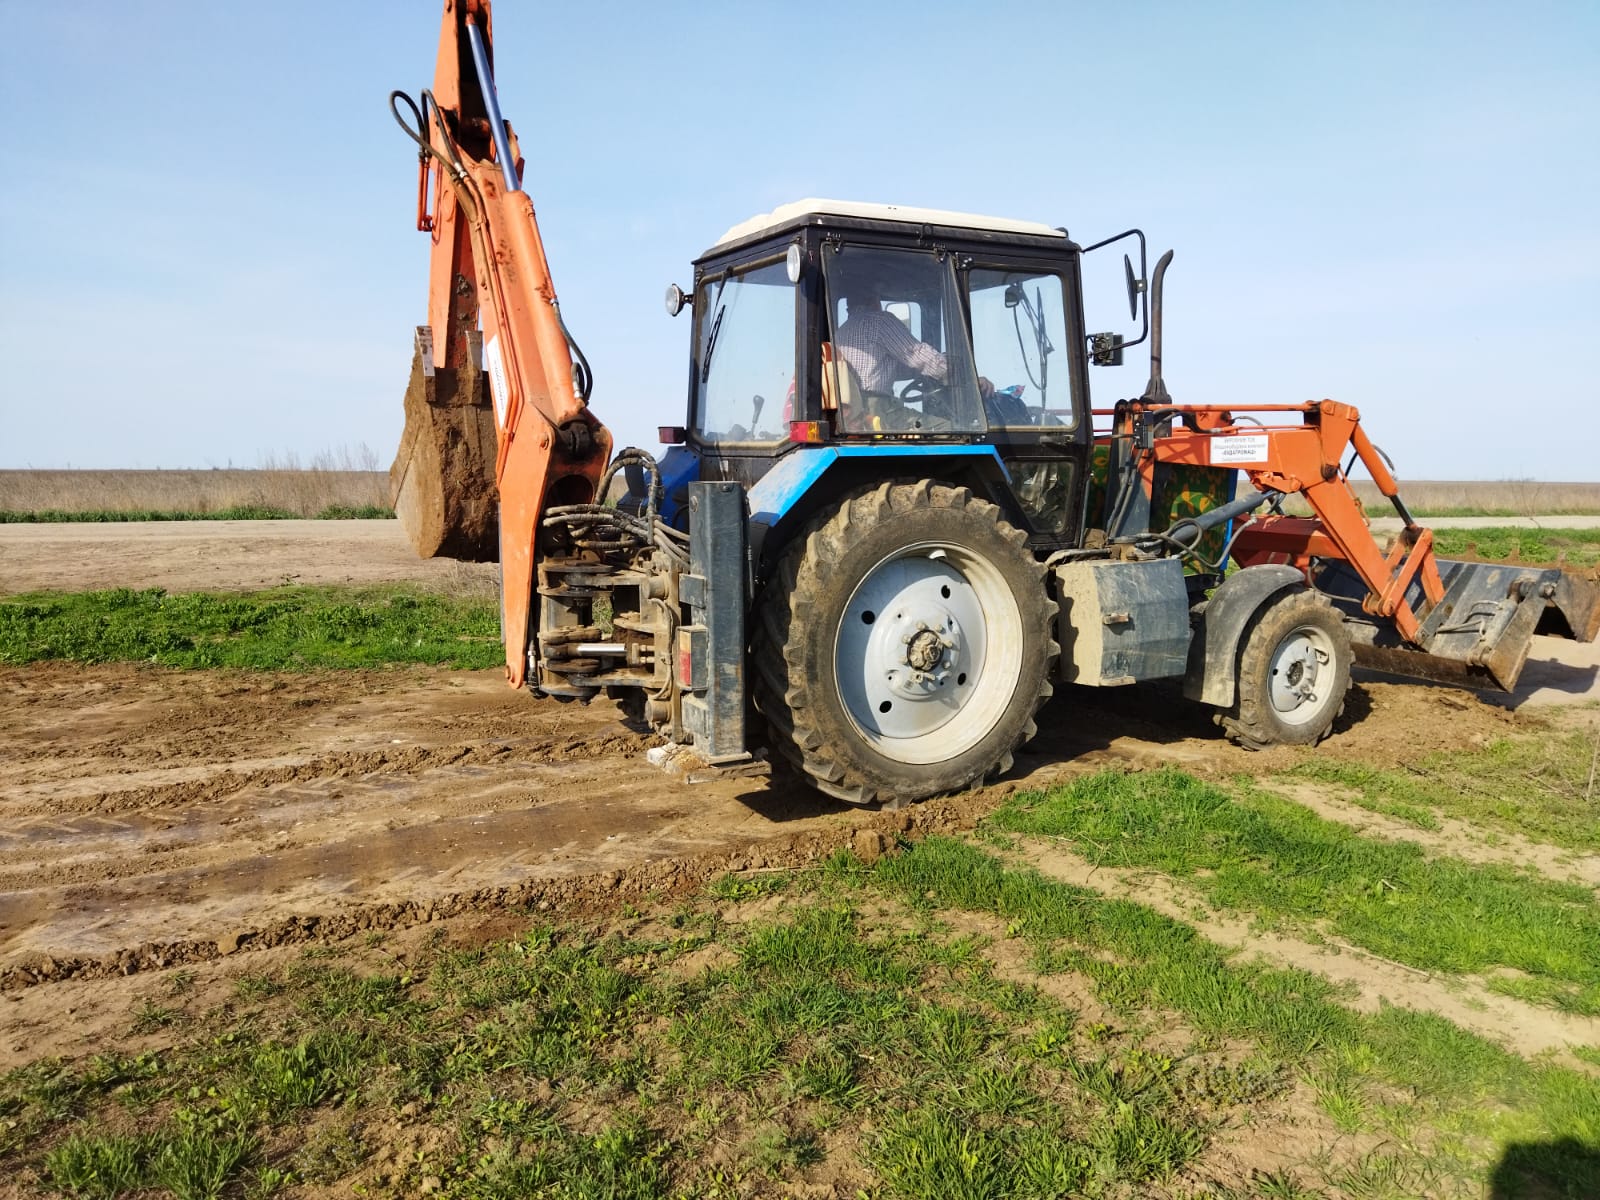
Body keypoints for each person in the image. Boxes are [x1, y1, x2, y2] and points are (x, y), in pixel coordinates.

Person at [833, 279, 994, 403]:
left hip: (856, 410)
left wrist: (926, 373)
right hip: (876, 409)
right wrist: (970, 381)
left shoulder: (841, 334)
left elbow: (888, 370)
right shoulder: (879, 321)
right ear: (875, 300)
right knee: (943, 427)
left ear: (849, 306)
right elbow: (917, 354)